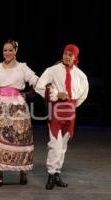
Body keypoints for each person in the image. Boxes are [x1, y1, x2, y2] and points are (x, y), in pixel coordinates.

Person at [0, 39, 39, 186]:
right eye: (5, 50)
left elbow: (35, 80)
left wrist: (29, 94)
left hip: (17, 105)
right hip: (0, 103)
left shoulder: (23, 67)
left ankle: (23, 171)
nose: (7, 53)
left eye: (10, 50)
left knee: (20, 137)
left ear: (16, 51)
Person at [35, 44, 89, 190]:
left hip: (70, 112)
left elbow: (83, 94)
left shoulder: (80, 75)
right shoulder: (52, 70)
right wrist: (56, 94)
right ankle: (51, 174)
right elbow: (39, 86)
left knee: (63, 145)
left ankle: (57, 173)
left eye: (70, 55)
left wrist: (72, 104)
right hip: (57, 109)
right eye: (65, 53)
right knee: (55, 143)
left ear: (75, 58)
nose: (67, 56)